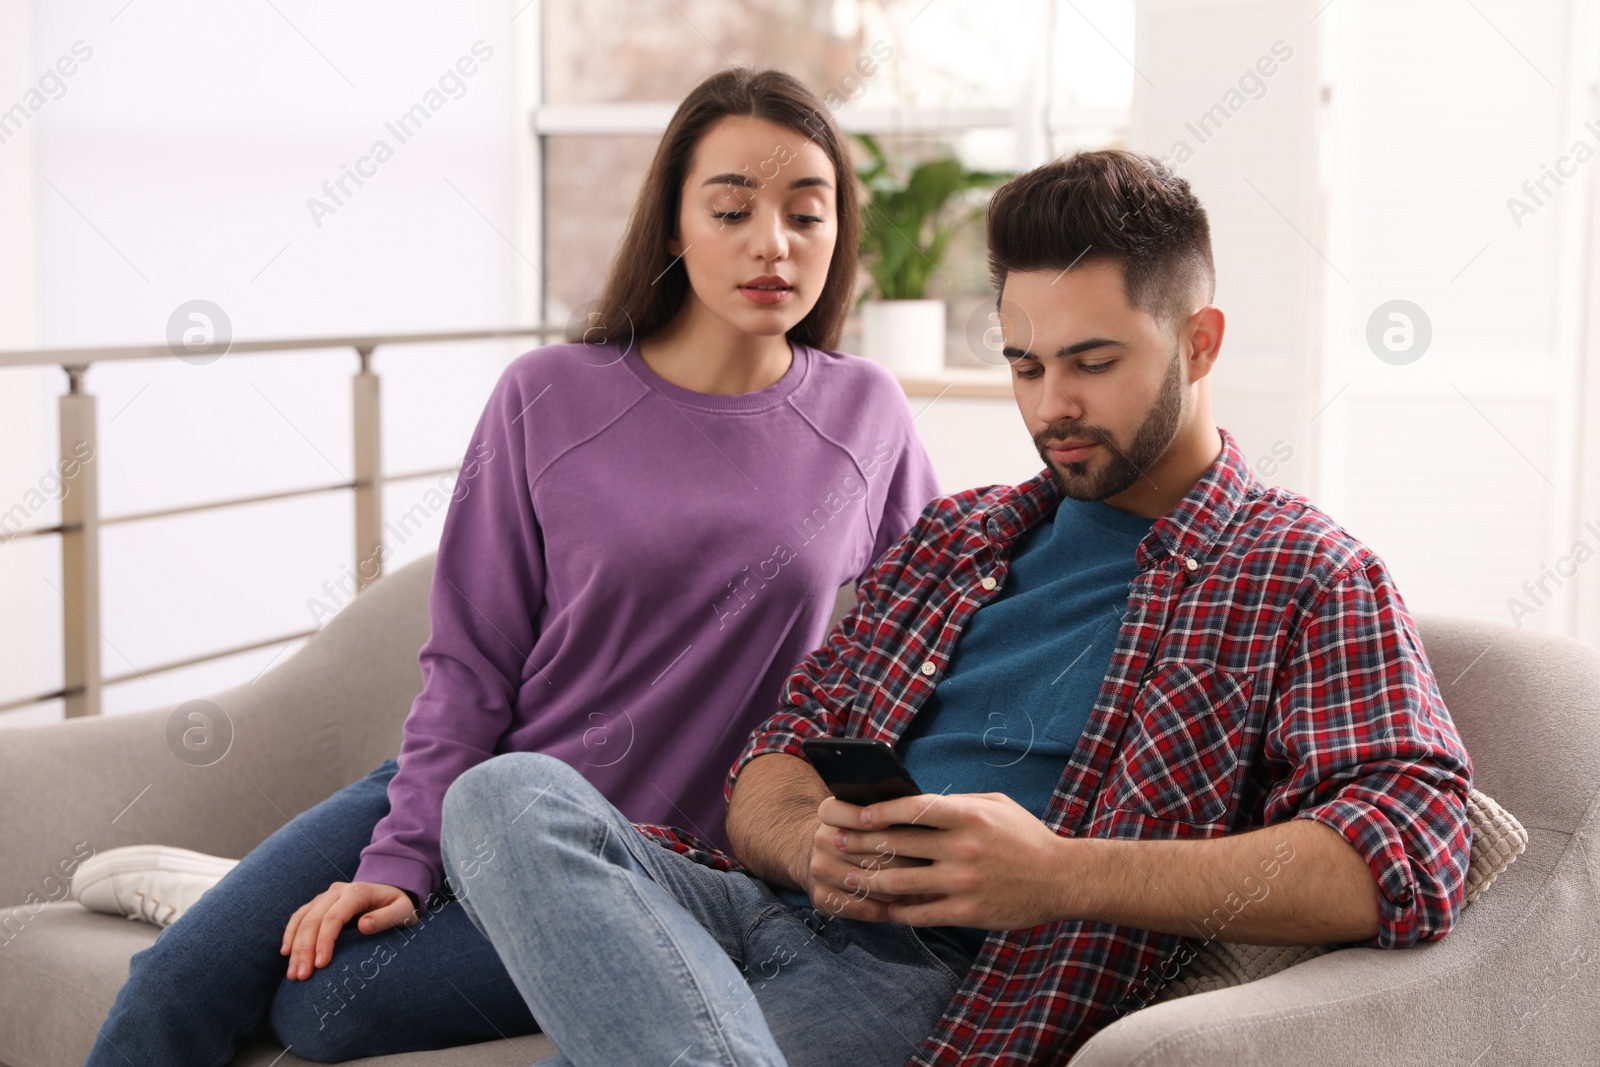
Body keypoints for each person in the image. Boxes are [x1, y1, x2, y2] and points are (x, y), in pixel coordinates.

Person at [437, 148, 1475, 1067]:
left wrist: (1058, 874)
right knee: (503, 795)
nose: (1049, 406)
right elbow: (778, 753)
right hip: (754, 908)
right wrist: (812, 845)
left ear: (1198, 343)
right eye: (1024, 365)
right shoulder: (957, 536)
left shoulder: (1304, 573)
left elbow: (1407, 852)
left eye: (1092, 362)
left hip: (939, 974)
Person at [80, 67, 940, 1066]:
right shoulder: (548, 393)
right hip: (468, 788)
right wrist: (401, 858)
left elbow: (924, 641)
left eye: (806, 213)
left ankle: (220, 887)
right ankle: (221, 899)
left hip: (639, 862)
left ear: (838, 236)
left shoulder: (864, 413)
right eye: (732, 209)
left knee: (325, 1009)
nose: (773, 244)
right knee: (180, 978)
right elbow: (471, 661)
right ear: (673, 226)